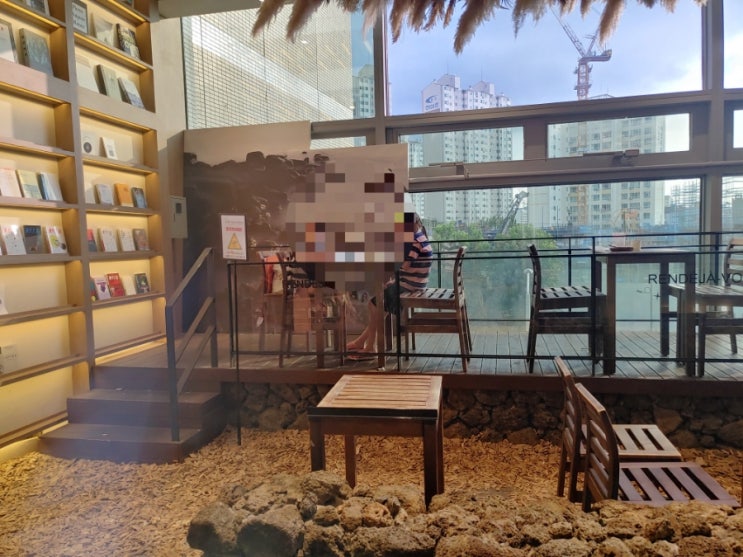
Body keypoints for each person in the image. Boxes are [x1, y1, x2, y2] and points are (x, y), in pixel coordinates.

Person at [346, 213, 433, 357]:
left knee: (374, 305)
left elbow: (403, 265)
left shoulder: (415, 241)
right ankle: (362, 342)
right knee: (380, 308)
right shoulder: (420, 237)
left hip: (411, 286)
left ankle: (370, 346)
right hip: (415, 283)